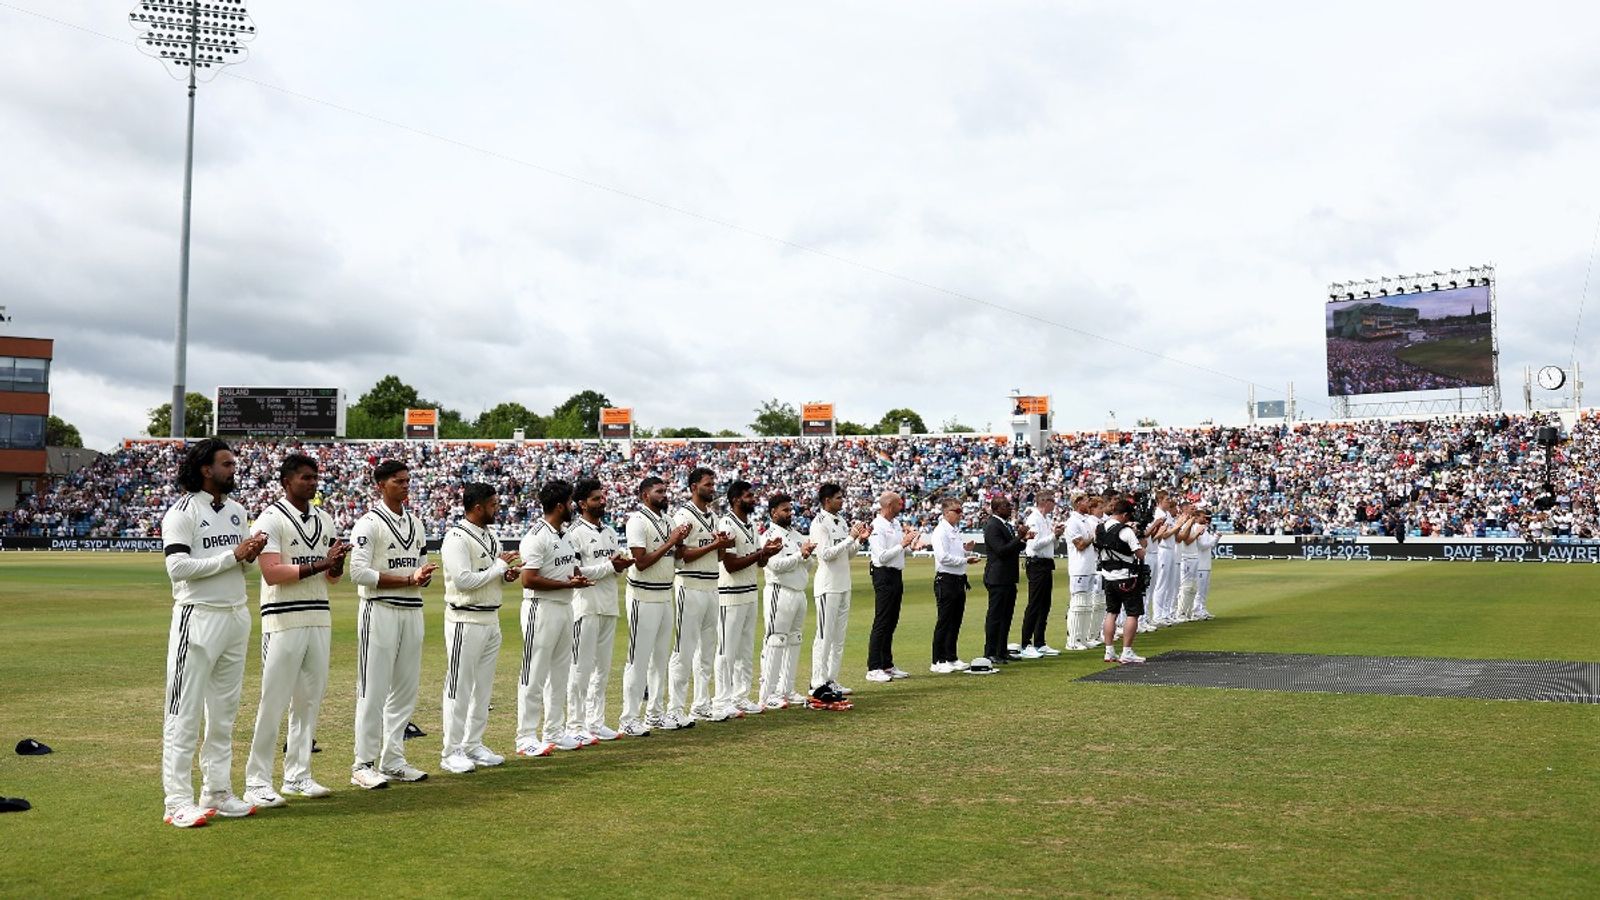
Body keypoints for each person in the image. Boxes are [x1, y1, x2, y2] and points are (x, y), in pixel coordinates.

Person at [159, 439, 267, 827]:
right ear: (206, 469)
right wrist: (232, 556)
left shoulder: (237, 511)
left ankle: (217, 791)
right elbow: (178, 569)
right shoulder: (182, 511)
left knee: (223, 714)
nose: (232, 469)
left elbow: (241, 569)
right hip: (198, 618)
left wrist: (248, 557)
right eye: (226, 463)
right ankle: (176, 801)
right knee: (183, 713)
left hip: (236, 615)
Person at [244, 453, 349, 807]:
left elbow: (332, 579)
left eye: (315, 477)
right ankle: (257, 781)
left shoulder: (325, 518)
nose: (312, 482)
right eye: (305, 477)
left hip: (319, 615)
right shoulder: (269, 519)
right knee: (273, 702)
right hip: (282, 618)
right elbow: (272, 573)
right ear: (286, 481)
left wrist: (336, 564)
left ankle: (298, 775)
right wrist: (321, 563)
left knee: (308, 702)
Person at [349, 459, 438, 788]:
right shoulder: (369, 524)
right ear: (380, 485)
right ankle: (362, 763)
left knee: (405, 689)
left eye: (407, 481)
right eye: (398, 481)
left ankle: (393, 759)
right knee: (373, 690)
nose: (405, 485)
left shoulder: (416, 523)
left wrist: (422, 577)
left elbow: (420, 569)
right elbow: (358, 573)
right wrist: (407, 580)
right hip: (380, 610)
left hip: (412, 610)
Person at [437, 481, 519, 775]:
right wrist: (497, 569)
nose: (498, 508)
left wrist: (505, 575)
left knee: (483, 688)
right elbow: (463, 580)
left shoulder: (490, 535)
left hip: (490, 618)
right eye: (493, 504)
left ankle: (473, 744)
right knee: (459, 686)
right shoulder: (456, 538)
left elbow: (490, 575)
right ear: (477, 507)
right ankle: (451, 751)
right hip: (464, 619)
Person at [516, 479, 592, 756]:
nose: (572, 506)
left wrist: (577, 579)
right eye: (571, 502)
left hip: (565, 607)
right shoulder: (536, 536)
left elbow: (569, 569)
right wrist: (568, 585)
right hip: (541, 608)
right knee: (534, 674)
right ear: (560, 505)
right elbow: (529, 579)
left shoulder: (566, 535)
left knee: (559, 674)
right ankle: (525, 737)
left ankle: (554, 732)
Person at [619, 476, 690, 736]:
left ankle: (655, 714)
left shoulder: (669, 521)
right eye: (659, 491)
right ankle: (628, 717)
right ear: (645, 495)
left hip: (665, 594)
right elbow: (640, 562)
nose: (665, 495)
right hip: (643, 595)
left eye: (665, 490)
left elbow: (677, 559)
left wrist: (681, 542)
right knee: (638, 659)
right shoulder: (636, 521)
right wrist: (671, 541)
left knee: (660, 659)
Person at [566, 478, 634, 743]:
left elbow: (613, 567)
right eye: (596, 498)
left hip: (608, 606)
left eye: (603, 497)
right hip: (585, 607)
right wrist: (610, 567)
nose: (602, 501)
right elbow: (574, 571)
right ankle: (575, 725)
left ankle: (596, 722)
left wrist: (620, 565)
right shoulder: (574, 533)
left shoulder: (608, 532)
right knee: (581, 669)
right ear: (582, 504)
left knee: (602, 669)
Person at [712, 480, 780, 720]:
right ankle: (722, 700)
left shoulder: (750, 526)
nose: (753, 499)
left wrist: (767, 553)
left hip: (750, 591)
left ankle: (741, 696)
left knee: (744, 649)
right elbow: (730, 565)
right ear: (735, 499)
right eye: (748, 496)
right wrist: (760, 554)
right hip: (730, 594)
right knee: (726, 650)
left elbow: (758, 562)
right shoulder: (727, 523)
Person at [671, 468, 732, 722]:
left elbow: (716, 556)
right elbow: (681, 554)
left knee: (707, 651)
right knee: (684, 650)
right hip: (690, 585)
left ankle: (701, 703)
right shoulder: (684, 515)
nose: (712, 487)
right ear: (694, 486)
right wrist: (714, 545)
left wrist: (720, 545)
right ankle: (675, 708)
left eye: (713, 483)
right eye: (708, 484)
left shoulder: (713, 516)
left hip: (711, 585)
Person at [757, 492, 816, 708]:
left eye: (790, 509)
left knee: (795, 639)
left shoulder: (797, 535)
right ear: (773, 512)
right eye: (785, 510)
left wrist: (806, 556)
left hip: (799, 592)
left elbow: (810, 565)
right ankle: (768, 693)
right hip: (779, 592)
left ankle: (786, 689)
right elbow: (775, 566)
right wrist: (800, 556)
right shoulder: (769, 536)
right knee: (775, 641)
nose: (789, 513)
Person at [809, 482, 867, 696]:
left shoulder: (841, 521)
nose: (842, 501)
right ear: (827, 500)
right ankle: (818, 681)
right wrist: (850, 538)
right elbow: (825, 554)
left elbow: (847, 554)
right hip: (827, 586)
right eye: (839, 498)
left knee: (838, 637)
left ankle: (832, 679)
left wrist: (858, 541)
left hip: (844, 584)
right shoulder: (819, 524)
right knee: (824, 635)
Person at [865, 491, 917, 683]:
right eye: (898, 503)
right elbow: (881, 557)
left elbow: (898, 551)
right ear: (889, 505)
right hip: (883, 574)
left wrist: (910, 545)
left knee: (892, 620)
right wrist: (903, 544)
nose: (901, 506)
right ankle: (873, 667)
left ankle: (886, 664)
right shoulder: (877, 526)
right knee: (882, 620)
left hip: (896, 574)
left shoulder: (894, 524)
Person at [929, 497, 977, 674]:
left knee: (955, 620)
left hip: (958, 579)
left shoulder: (954, 531)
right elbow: (943, 557)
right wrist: (965, 559)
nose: (960, 514)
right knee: (944, 620)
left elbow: (954, 553)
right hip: (946, 579)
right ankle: (937, 660)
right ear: (946, 512)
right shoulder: (940, 531)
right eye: (957, 511)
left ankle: (951, 656)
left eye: (961, 510)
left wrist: (966, 550)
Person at [1097, 498, 1148, 664]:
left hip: (1108, 576)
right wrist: (1139, 537)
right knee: (1133, 613)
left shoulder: (1100, 528)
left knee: (1111, 613)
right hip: (1126, 577)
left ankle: (1109, 651)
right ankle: (1127, 651)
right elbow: (1140, 554)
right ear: (1124, 514)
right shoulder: (1125, 531)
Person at [982, 496, 1031, 664]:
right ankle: (990, 652)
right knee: (995, 616)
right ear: (996, 508)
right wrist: (1020, 538)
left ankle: (1001, 650)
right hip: (997, 577)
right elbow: (1001, 550)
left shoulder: (1005, 525)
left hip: (1008, 577)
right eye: (1006, 506)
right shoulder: (992, 526)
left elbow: (1013, 548)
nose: (1010, 508)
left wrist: (1023, 539)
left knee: (1006, 616)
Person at [1017, 490, 1064, 657]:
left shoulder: (1045, 519)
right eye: (1052, 501)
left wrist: (1056, 536)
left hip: (1046, 563)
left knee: (1045, 604)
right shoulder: (1034, 519)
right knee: (1035, 603)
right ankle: (1025, 642)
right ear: (1045, 502)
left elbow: (1053, 546)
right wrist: (1053, 535)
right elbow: (1034, 544)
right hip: (1036, 563)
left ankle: (1039, 641)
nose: (1054, 504)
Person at [1063, 493, 1098, 651]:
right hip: (1079, 568)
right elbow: (1080, 545)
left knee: (1087, 604)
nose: (1089, 504)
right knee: (1077, 604)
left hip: (1089, 566)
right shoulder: (1072, 522)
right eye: (1086, 501)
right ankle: (1073, 640)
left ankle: (1083, 638)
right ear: (1077, 503)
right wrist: (1094, 537)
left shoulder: (1084, 521)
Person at [1176, 505, 1218, 621]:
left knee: (1194, 588)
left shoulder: (1198, 527)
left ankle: (1191, 612)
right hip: (1189, 558)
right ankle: (1184, 612)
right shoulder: (1191, 526)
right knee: (1187, 587)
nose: (1205, 519)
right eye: (1203, 517)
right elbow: (1191, 542)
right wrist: (1212, 538)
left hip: (1195, 559)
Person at [1143, 492, 1177, 629]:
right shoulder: (1158, 515)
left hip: (1167, 549)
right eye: (1167, 499)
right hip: (1161, 549)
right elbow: (1161, 535)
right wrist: (1178, 526)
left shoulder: (1167, 514)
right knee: (1159, 585)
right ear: (1159, 501)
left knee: (1167, 584)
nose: (1169, 502)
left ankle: (1163, 614)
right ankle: (1156, 615)